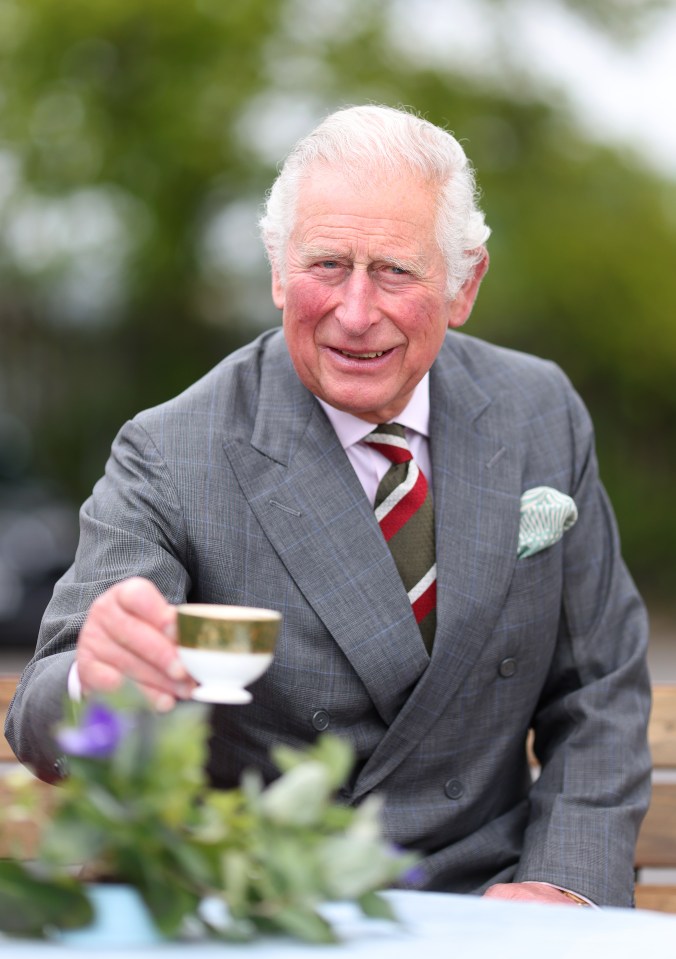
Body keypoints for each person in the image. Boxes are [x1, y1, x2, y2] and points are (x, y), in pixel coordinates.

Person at [6, 105, 651, 907]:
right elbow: (40, 712)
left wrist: (563, 886)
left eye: (394, 271)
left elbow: (599, 688)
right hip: (269, 907)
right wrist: (94, 682)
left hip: (496, 904)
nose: (354, 311)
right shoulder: (172, 452)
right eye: (326, 266)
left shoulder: (538, 409)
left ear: (464, 284)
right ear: (277, 270)